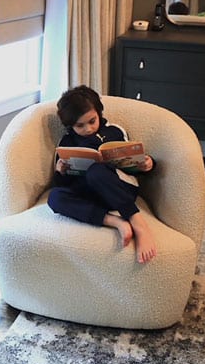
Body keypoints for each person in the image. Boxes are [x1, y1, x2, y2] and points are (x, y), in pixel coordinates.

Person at [47, 85, 157, 264]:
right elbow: (62, 186)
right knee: (54, 198)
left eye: (92, 121)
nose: (88, 129)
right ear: (70, 125)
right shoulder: (66, 142)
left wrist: (148, 164)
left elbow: (131, 162)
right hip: (89, 195)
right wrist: (61, 173)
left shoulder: (115, 131)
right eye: (79, 126)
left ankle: (138, 223)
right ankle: (115, 222)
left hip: (119, 188)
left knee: (96, 172)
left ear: (99, 112)